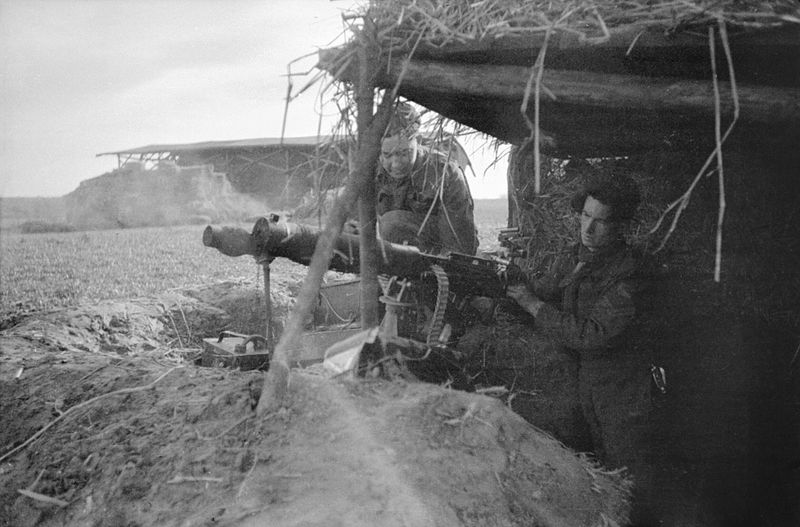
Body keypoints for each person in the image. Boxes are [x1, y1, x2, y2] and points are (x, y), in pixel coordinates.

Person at [376, 102, 478, 255]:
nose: (396, 164)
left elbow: (459, 245)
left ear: (417, 140)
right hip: (398, 252)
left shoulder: (444, 172)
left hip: (445, 247)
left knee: (392, 223)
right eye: (387, 155)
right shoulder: (371, 172)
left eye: (404, 153)